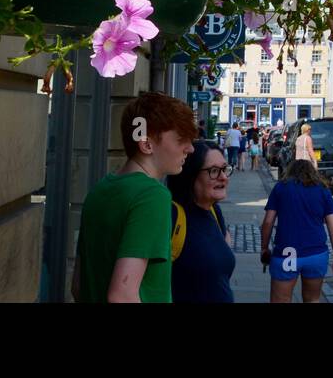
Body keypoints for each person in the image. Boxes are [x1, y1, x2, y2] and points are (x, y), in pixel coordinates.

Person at [73, 91, 197, 303]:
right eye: (181, 139)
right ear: (146, 144)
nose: (191, 148)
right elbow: (121, 295)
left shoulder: (100, 190)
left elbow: (78, 286)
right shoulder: (152, 196)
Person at [260, 158, 333, 303]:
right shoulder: (323, 190)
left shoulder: (281, 188)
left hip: (287, 253)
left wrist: (264, 247)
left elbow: (268, 222)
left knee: (281, 300)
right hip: (316, 254)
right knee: (312, 299)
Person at [167, 141, 236, 303]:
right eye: (213, 171)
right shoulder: (173, 215)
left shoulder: (214, 211)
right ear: (191, 176)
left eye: (225, 169)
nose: (223, 177)